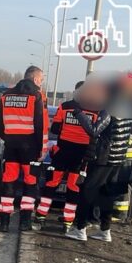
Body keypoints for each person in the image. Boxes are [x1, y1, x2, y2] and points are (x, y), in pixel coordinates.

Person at [67, 73, 132, 242]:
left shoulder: (110, 108)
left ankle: (79, 229)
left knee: (87, 192)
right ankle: (105, 231)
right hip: (118, 159)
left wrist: (79, 114)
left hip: (103, 158)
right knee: (106, 196)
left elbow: (94, 130)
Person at [0, 66, 49, 232]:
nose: (42, 82)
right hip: (30, 148)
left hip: (11, 147)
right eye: (42, 79)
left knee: (8, 183)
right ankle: (25, 222)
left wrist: (8, 137)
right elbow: (41, 125)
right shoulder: (37, 96)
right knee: (30, 184)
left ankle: (4, 222)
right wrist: (41, 149)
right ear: (36, 79)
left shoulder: (6, 95)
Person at [36, 81, 98, 228]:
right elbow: (95, 133)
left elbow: (55, 129)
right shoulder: (95, 110)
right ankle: (68, 221)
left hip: (62, 152)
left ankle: (40, 217)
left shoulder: (64, 107)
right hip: (81, 156)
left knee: (51, 184)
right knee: (73, 187)